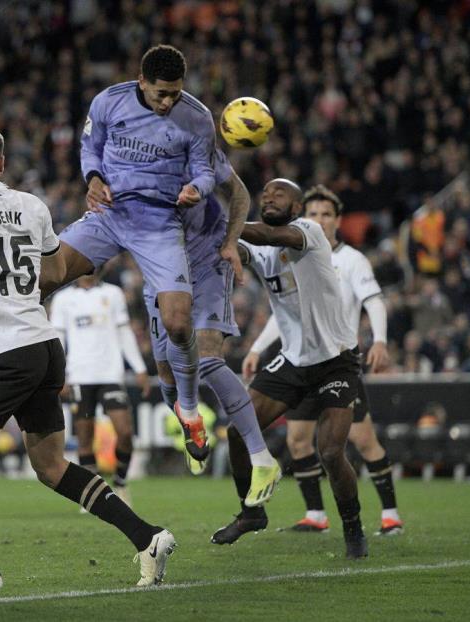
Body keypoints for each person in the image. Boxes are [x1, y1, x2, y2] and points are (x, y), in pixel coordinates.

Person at [0, 125, 176, 592]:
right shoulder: (32, 206)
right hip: (45, 346)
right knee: (51, 467)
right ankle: (147, 537)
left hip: (8, 350)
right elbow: (54, 272)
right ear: (3, 162)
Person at [42, 44, 218, 467]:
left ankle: (189, 412)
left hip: (159, 222)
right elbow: (90, 149)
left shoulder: (197, 117)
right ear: (142, 81)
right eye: (161, 93)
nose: (168, 101)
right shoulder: (108, 101)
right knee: (44, 277)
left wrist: (198, 189)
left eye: (175, 93)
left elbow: (207, 170)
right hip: (109, 214)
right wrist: (95, 177)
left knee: (177, 322)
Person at [211, 178, 369, 559]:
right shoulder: (263, 247)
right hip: (294, 361)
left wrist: (223, 223)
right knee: (237, 433)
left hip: (336, 360)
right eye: (265, 194)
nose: (269, 196)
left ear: (297, 207)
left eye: (279, 194)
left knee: (330, 452)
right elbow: (242, 249)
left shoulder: (308, 232)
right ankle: (251, 513)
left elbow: (264, 235)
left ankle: (353, 527)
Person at [242, 185, 404, 536]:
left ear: (337, 220)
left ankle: (390, 513)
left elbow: (374, 301)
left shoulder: (350, 259)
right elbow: (282, 310)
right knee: (298, 440)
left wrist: (380, 340)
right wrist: (257, 348)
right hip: (298, 360)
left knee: (356, 441)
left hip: (338, 358)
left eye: (326, 214)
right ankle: (315, 514)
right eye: (314, 213)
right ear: (305, 213)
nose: (319, 219)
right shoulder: (277, 252)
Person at [143, 147, 281, 504]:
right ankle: (193, 427)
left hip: (208, 261)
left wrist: (232, 242)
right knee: (166, 370)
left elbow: (238, 192)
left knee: (205, 355)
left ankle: (262, 457)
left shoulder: (196, 144)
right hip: (160, 271)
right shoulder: (127, 156)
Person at [50, 273, 150, 507]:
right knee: (85, 438)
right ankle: (94, 495)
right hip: (80, 376)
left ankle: (121, 482)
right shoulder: (64, 298)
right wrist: (58, 374)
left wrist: (139, 367)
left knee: (125, 432)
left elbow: (124, 332)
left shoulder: (112, 293)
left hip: (110, 374)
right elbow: (58, 339)